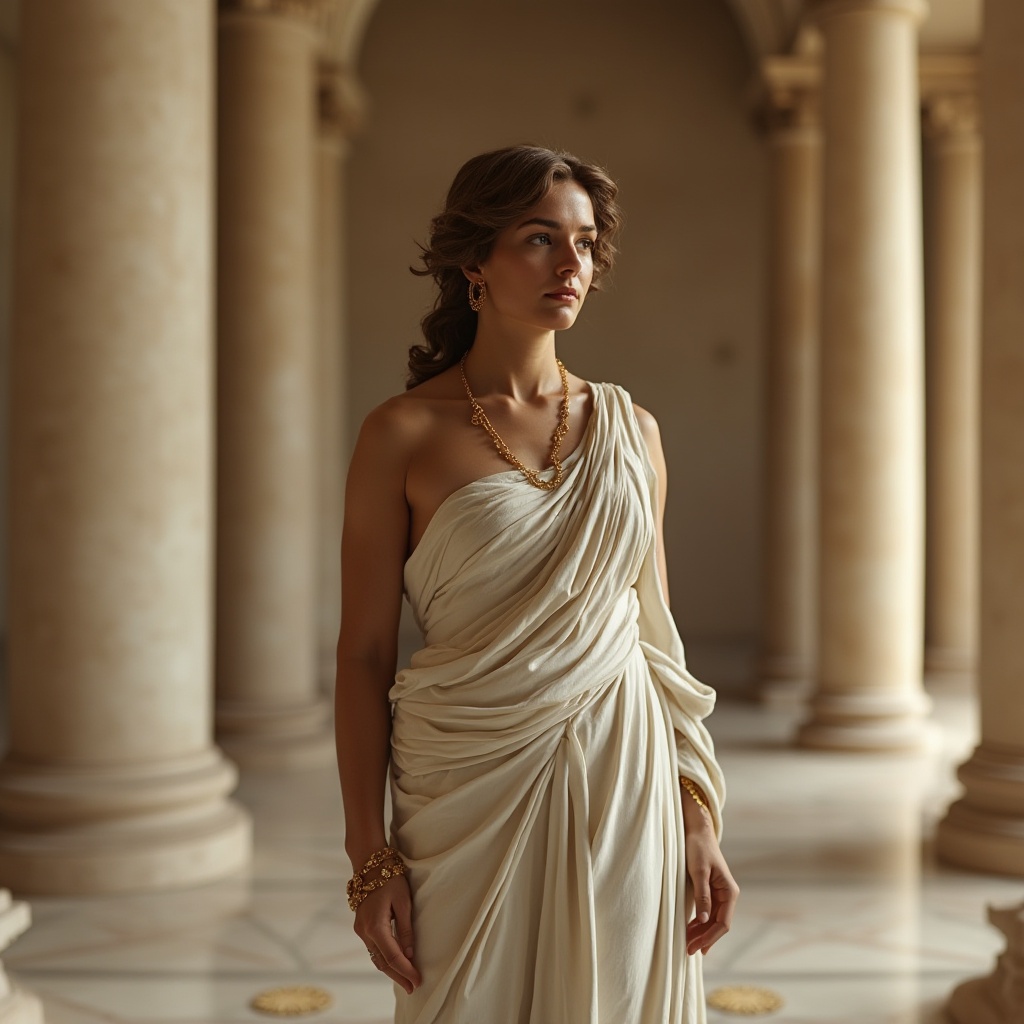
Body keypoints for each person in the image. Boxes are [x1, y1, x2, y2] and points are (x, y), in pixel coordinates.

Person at [335, 144, 738, 1024]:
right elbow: (363, 655)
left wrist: (696, 813)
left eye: (587, 244)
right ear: (472, 262)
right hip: (463, 792)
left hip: (623, 779)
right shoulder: (401, 433)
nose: (572, 265)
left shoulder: (632, 431)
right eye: (539, 238)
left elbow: (652, 640)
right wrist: (371, 856)